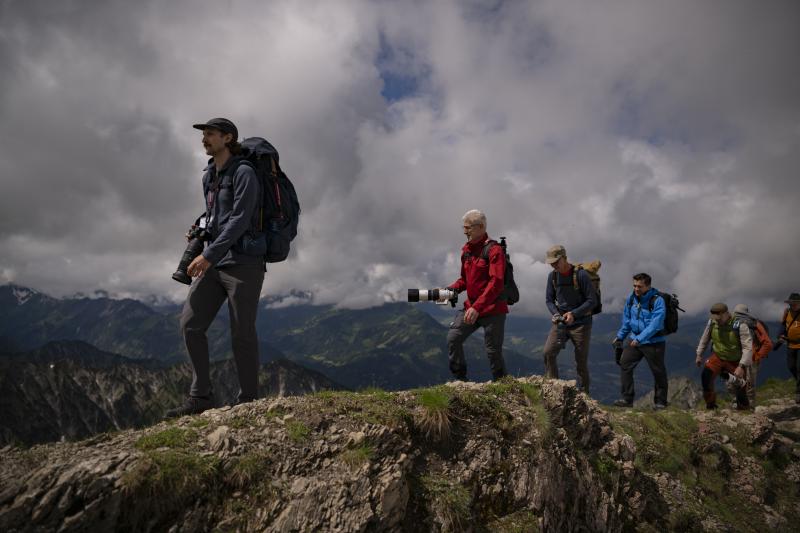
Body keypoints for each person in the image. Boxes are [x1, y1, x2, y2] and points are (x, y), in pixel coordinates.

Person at [166, 118, 265, 418]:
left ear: (227, 138)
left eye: (210, 134)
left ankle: (248, 400)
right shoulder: (210, 175)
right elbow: (216, 213)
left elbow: (240, 219)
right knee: (190, 324)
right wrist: (199, 227)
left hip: (244, 264)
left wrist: (208, 255)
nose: (204, 139)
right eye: (203, 135)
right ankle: (201, 397)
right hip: (215, 259)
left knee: (242, 333)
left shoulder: (245, 173)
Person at [446, 210, 508, 381]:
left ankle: (503, 386)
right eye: (463, 228)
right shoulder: (466, 251)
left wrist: (477, 307)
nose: (465, 231)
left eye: (468, 228)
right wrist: (448, 291)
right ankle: (461, 381)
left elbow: (496, 283)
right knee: (453, 338)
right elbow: (464, 280)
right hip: (472, 307)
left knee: (493, 351)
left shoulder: (494, 250)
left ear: (480, 227)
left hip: (493, 309)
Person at [542, 245, 598, 393]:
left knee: (580, 361)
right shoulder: (553, 276)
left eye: (556, 262)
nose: (553, 265)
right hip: (561, 322)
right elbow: (549, 300)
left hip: (581, 324)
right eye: (551, 263)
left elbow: (592, 301)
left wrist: (574, 314)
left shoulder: (581, 275)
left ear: (564, 258)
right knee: (548, 352)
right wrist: (555, 313)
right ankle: (553, 388)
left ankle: (584, 395)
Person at [612, 273, 668, 409]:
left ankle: (660, 402)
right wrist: (620, 336)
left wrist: (640, 338)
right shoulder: (632, 299)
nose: (636, 289)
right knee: (625, 364)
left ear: (648, 286)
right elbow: (627, 321)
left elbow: (656, 324)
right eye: (634, 285)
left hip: (654, 342)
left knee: (658, 371)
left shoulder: (657, 300)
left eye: (640, 286)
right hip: (634, 339)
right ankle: (627, 400)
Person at [695, 303, 753, 410]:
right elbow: (705, 339)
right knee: (706, 376)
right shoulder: (712, 323)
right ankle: (711, 405)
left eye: (719, 318)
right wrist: (699, 354)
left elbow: (747, 347)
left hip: (735, 360)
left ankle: (744, 408)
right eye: (715, 318)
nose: (717, 320)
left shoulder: (740, 325)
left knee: (740, 385)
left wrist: (741, 366)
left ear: (726, 314)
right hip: (718, 356)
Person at [731, 303, 772, 407]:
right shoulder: (754, 323)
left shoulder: (736, 323)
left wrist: (756, 356)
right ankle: (747, 406)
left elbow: (768, 344)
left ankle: (743, 405)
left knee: (740, 382)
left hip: (743, 358)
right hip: (748, 358)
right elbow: (768, 344)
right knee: (747, 383)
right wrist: (757, 356)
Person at [778, 293, 800, 403]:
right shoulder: (787, 312)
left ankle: (798, 392)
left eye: (795, 303)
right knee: (791, 366)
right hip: (790, 344)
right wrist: (780, 335)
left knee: (799, 367)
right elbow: (783, 325)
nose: (793, 305)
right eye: (791, 303)